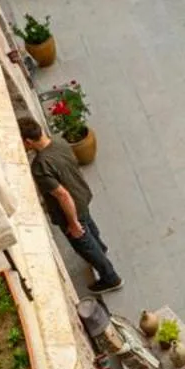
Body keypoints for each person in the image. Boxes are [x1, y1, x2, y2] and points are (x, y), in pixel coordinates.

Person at [18, 115, 122, 291]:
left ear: (28, 141)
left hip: (69, 209)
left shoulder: (40, 166)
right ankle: (101, 248)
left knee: (84, 243)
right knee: (89, 225)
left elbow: (62, 195)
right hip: (81, 194)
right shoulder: (59, 142)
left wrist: (73, 223)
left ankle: (110, 278)